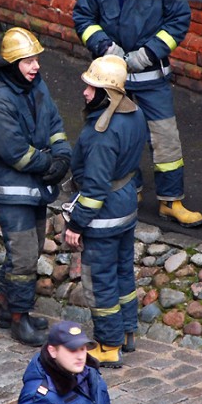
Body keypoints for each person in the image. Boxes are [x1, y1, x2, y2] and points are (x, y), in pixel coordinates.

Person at [72, 0, 202, 228]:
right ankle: (132, 190)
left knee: (166, 140)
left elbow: (178, 20)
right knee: (120, 138)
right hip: (111, 81)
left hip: (151, 80)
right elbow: (83, 17)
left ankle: (171, 202)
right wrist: (105, 46)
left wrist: (150, 52)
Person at [0, 27, 72, 346]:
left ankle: (7, 307)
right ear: (12, 62)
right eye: (28, 60)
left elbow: (55, 123)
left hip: (37, 187)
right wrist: (50, 166)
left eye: (36, 59)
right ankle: (20, 318)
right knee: (23, 256)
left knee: (28, 251)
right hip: (15, 189)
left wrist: (62, 155)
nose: (36, 66)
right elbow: (14, 150)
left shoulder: (36, 85)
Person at [63, 55, 147, 367]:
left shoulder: (102, 132)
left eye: (92, 86)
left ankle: (109, 345)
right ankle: (126, 332)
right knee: (123, 272)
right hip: (125, 207)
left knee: (100, 282)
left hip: (104, 216)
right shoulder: (134, 113)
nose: (85, 91)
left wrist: (77, 224)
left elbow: (95, 188)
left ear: (108, 93)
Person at [3, 320, 115, 404]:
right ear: (53, 351)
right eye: (72, 350)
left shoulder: (90, 373)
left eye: (83, 348)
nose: (80, 356)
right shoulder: (44, 396)